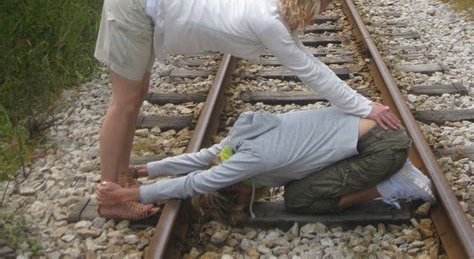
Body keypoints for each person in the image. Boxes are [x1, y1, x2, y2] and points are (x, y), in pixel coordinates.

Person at [94, 0, 400, 220]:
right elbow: (311, 71)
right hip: (139, 0)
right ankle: (111, 197)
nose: (312, 20)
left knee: (132, 100)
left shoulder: (271, 8)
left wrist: (361, 104)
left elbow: (311, 63)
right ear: (304, 0)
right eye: (316, 11)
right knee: (125, 103)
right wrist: (365, 107)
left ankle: (121, 179)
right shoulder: (267, 20)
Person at [96, 107, 435, 222]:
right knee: (296, 188)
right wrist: (147, 168)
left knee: (299, 199)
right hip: (373, 139)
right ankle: (390, 176)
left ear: (232, 185)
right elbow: (202, 158)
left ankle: (393, 183)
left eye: (243, 196)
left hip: (381, 149)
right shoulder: (239, 143)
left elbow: (196, 182)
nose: (252, 194)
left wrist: (131, 192)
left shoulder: (249, 161)